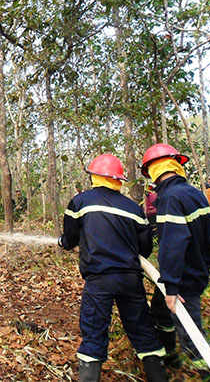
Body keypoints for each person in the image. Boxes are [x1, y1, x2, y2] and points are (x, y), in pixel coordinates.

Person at [58, 154, 167, 382]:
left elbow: (70, 237)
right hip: (130, 279)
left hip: (99, 281)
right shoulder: (133, 208)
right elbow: (144, 248)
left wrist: (64, 242)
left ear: (94, 176)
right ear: (119, 180)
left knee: (94, 332)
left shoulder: (81, 202)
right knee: (143, 332)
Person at [140, 144, 210, 381]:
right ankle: (169, 356)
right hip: (193, 273)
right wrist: (204, 268)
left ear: (152, 171)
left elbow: (173, 245)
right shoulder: (193, 193)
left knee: (191, 332)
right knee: (160, 313)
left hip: (182, 279)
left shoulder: (170, 198)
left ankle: (209, 371)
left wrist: (173, 287)